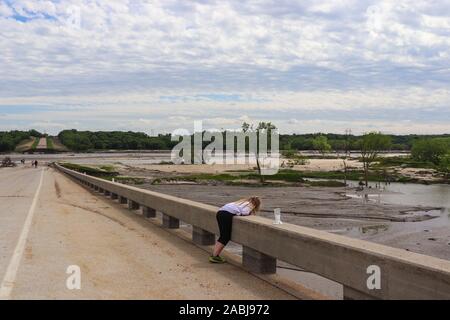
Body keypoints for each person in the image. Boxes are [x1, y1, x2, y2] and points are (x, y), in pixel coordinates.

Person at [209, 196, 261, 264]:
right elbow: (244, 212)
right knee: (225, 237)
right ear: (256, 204)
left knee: (223, 236)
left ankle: (214, 255)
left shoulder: (240, 202)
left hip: (220, 213)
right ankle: (215, 256)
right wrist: (249, 213)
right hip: (226, 215)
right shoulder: (249, 204)